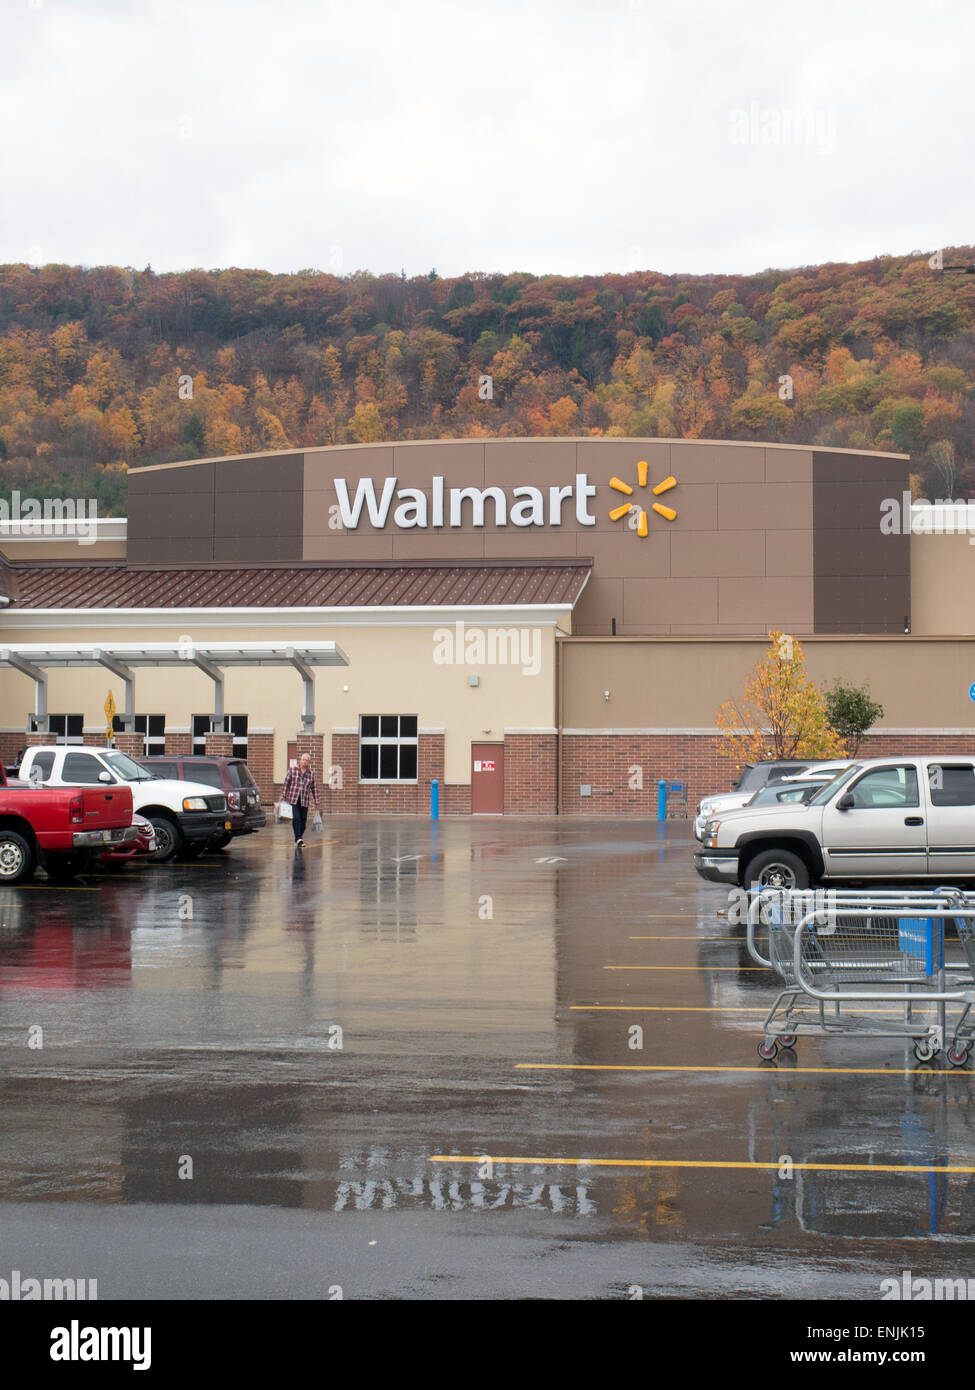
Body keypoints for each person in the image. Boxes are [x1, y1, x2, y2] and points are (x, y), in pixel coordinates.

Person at [281, 753, 321, 850]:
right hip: (293, 799)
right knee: (297, 818)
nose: (304, 761)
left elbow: (314, 788)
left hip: (304, 801)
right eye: (303, 759)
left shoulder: (311, 774)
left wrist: (317, 801)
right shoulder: (292, 770)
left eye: (307, 760)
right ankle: (299, 838)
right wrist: (283, 795)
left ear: (309, 762)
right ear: (300, 760)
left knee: (303, 821)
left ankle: (297, 839)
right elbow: (286, 783)